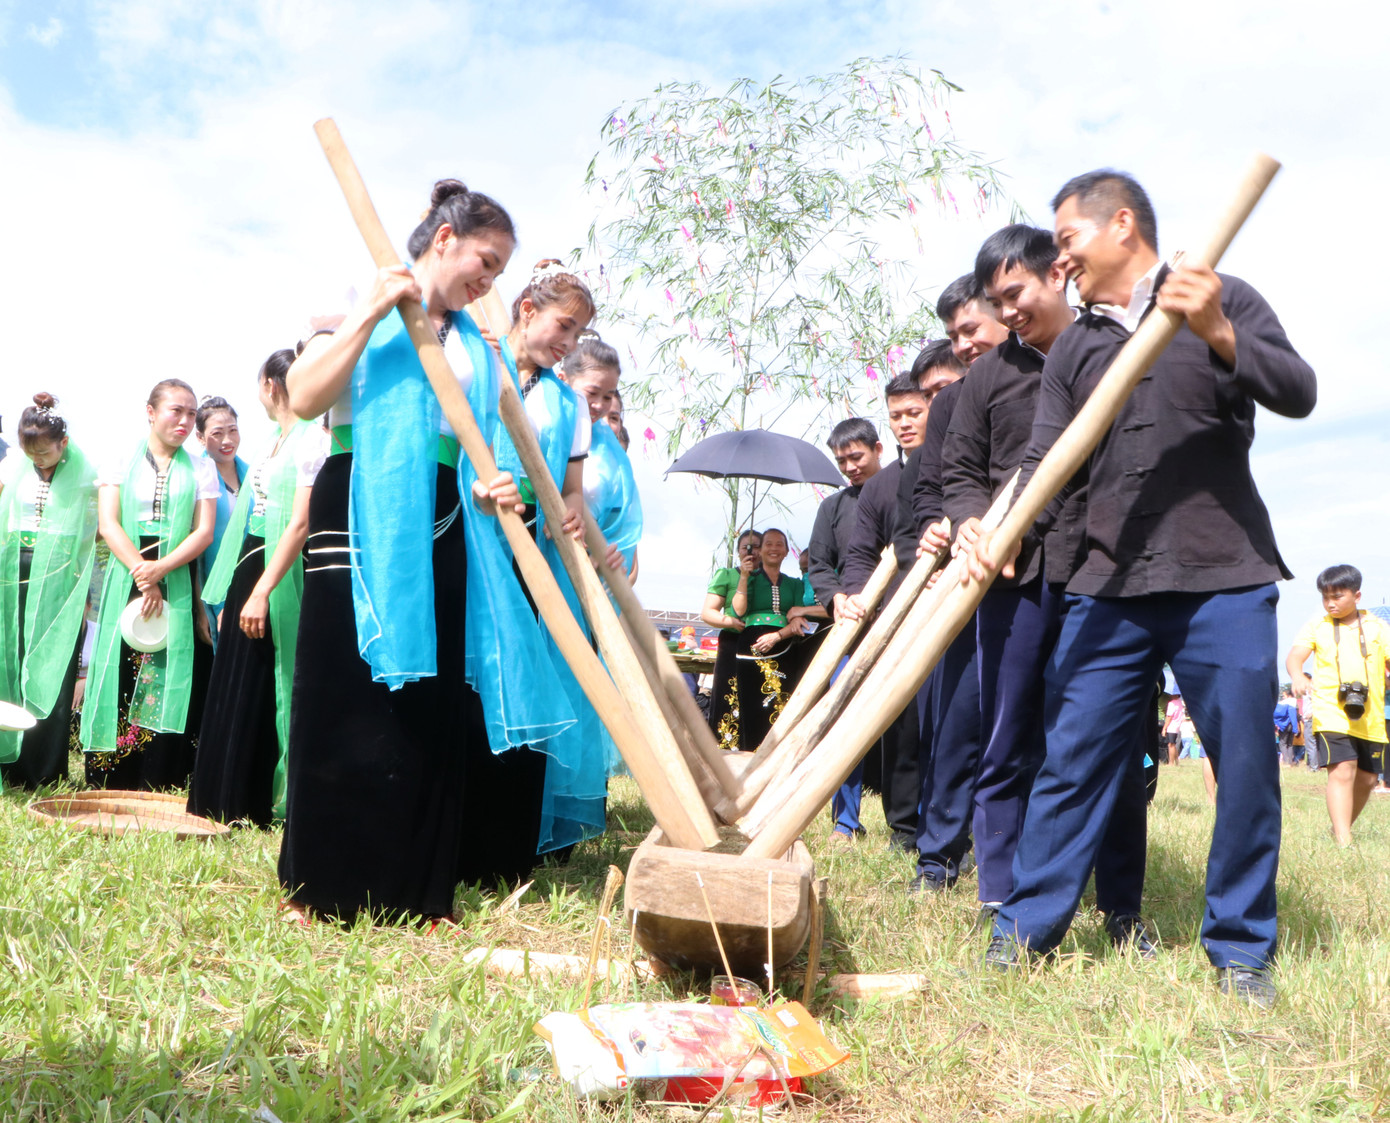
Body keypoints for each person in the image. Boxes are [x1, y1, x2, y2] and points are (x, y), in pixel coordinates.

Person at [970, 169, 1316, 1007]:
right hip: (1108, 584)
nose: (1062, 262)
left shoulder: (1219, 295)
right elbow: (1043, 463)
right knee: (1073, 761)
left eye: (1067, 241)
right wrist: (997, 522)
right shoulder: (1078, 348)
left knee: (1244, 764)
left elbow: (1299, 390)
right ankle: (1026, 931)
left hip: (1221, 575)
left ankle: (1239, 948)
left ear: (1121, 223)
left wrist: (1218, 328)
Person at [279, 178, 550, 925]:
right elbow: (304, 398)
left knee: (430, 701)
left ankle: (420, 886)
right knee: (340, 688)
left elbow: (480, 448)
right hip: (357, 498)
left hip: (441, 510)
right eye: (484, 261)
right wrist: (369, 311)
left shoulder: (471, 344)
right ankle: (315, 884)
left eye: (499, 270)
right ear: (444, 240)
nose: (488, 279)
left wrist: (498, 487)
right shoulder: (357, 302)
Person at [941, 224, 1152, 950]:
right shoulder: (987, 378)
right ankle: (1001, 892)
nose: (1009, 311)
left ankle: (1121, 905)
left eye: (1016, 292)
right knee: (1007, 736)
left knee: (1111, 742)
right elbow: (960, 471)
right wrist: (971, 520)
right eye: (998, 301)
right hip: (1016, 577)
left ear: (1056, 275)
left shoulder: (1114, 349)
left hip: (1107, 572)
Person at [493, 261, 620, 855]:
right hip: (473, 536)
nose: (566, 345)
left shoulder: (568, 405)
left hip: (534, 554)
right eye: (563, 327)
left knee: (532, 676)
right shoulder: (482, 364)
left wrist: (571, 513)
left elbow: (570, 486)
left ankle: (517, 828)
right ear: (526, 310)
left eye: (577, 335)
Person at [189, 350, 329, 826]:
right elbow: (247, 521)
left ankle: (276, 797)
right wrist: (233, 589)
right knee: (242, 681)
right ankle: (231, 796)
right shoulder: (274, 440)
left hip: (282, 576)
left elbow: (301, 522)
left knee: (279, 680)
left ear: (270, 385)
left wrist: (262, 591)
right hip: (249, 568)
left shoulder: (314, 438)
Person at [909, 277, 1006, 892]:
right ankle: (938, 855)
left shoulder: (1057, 375)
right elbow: (929, 491)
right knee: (959, 722)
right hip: (968, 582)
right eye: (955, 335)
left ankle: (1011, 855)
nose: (966, 344)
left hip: (1048, 573)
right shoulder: (948, 407)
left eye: (972, 329)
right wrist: (933, 530)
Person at [80, 378, 219, 790]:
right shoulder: (121, 459)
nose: (185, 420)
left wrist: (161, 571)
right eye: (176, 410)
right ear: (151, 411)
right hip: (127, 573)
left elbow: (204, 532)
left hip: (175, 574)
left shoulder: (201, 466)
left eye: (191, 413)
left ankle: (159, 773)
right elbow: (108, 524)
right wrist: (143, 571)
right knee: (121, 664)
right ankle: (111, 772)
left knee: (166, 666)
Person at [835, 368, 938, 850]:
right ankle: (904, 828)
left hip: (953, 617)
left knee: (950, 729)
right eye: (896, 415)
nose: (904, 423)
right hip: (896, 624)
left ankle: (950, 825)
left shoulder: (958, 466)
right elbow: (858, 554)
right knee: (903, 728)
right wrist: (856, 597)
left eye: (914, 412)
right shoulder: (880, 488)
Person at [0, 394, 99, 787]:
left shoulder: (87, 474)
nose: (38, 460)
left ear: (64, 443)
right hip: (12, 574)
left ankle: (44, 768)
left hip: (58, 582)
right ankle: (8, 761)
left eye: (44, 452)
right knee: (11, 660)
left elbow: (90, 536)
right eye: (31, 453)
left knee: (53, 666)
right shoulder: (13, 466)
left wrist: (83, 594)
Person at [806, 418, 884, 836]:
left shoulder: (904, 492)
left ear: (877, 449)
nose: (851, 467)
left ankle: (910, 825)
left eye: (857, 456)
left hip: (902, 625)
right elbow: (819, 565)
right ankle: (846, 821)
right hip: (849, 631)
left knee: (910, 731)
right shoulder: (833, 508)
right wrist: (835, 597)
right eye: (842, 461)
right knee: (841, 723)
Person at [1285, 564, 1390, 847]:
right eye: (1325, 597)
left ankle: (1339, 829)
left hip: (1372, 715)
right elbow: (1295, 657)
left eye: (1337, 596)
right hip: (1331, 712)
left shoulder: (1379, 627)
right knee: (1343, 769)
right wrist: (1297, 676)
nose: (1330, 603)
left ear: (1357, 596)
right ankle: (1344, 841)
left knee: (1368, 780)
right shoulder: (1317, 626)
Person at [727, 527, 819, 752]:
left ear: (787, 551)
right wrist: (744, 577)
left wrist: (778, 635)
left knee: (780, 702)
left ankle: (776, 756)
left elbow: (799, 620)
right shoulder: (749, 579)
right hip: (750, 648)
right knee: (750, 704)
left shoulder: (794, 584)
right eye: (768, 544)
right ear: (759, 550)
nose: (773, 549)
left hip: (784, 647)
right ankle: (749, 756)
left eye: (779, 544)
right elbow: (738, 611)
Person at [561, 333, 642, 580]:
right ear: (563, 380)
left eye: (608, 397)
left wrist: (605, 553)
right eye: (592, 393)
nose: (599, 405)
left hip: (586, 571)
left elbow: (620, 528)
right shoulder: (547, 424)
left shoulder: (611, 454)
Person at [195, 396, 247, 649]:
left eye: (233, 431)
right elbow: (194, 553)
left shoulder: (254, 476)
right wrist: (201, 608)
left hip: (255, 586)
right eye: (217, 433)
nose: (227, 441)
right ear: (200, 437)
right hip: (215, 595)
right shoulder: (194, 480)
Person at [703, 529, 760, 747]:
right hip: (733, 641)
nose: (752, 551)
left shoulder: (769, 578)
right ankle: (724, 747)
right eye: (747, 547)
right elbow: (708, 612)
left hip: (761, 644)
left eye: (756, 546)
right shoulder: (726, 575)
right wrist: (729, 621)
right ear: (738, 552)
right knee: (728, 695)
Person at [1273, 687, 1299, 767]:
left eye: (1284, 695)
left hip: (1284, 726)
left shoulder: (1284, 704)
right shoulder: (1293, 703)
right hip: (1291, 726)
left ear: (1288, 695)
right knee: (1290, 744)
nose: (1282, 697)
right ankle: (1290, 761)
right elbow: (1293, 717)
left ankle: (1286, 761)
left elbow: (1275, 715)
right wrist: (1295, 729)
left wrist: (1276, 726)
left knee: (1282, 744)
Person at [1162, 691, 1184, 766]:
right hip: (1177, 725)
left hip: (1171, 726)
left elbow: (1169, 717)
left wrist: (1164, 728)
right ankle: (1176, 761)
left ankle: (1171, 762)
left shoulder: (1172, 703)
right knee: (1173, 744)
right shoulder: (1180, 702)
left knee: (1170, 744)